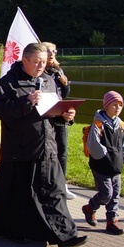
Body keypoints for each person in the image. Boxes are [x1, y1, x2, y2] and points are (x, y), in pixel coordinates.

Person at [0, 42, 88, 247]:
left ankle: (66, 234)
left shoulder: (48, 80)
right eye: (37, 62)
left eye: (44, 62)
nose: (41, 66)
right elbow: (0, 112)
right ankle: (20, 232)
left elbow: (53, 112)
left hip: (48, 147)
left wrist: (66, 116)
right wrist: (27, 102)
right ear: (25, 60)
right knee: (24, 197)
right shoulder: (8, 83)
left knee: (55, 191)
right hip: (21, 150)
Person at [82, 91, 124, 235]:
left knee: (115, 194)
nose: (117, 108)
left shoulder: (121, 125)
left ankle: (112, 221)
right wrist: (105, 157)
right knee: (106, 193)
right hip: (102, 166)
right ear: (106, 106)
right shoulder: (98, 124)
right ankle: (89, 208)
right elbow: (94, 145)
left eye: (120, 105)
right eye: (114, 105)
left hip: (116, 165)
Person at [42, 41, 75, 199]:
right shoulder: (39, 70)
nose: (52, 55)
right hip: (46, 116)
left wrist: (65, 82)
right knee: (47, 150)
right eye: (49, 52)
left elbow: (65, 93)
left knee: (62, 151)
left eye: (54, 52)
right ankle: (48, 183)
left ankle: (62, 184)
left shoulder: (57, 70)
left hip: (60, 116)